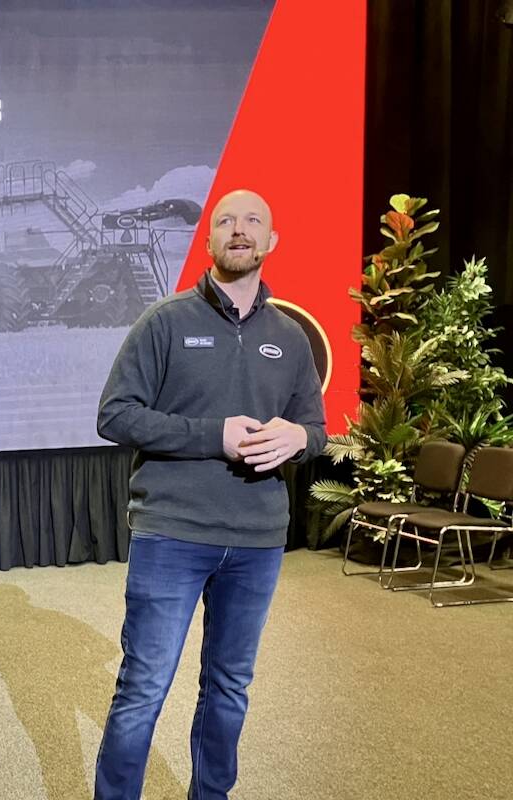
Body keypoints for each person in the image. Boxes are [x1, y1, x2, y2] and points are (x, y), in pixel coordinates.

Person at [92, 189, 326, 800]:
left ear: (272, 242)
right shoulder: (165, 322)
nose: (240, 230)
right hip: (172, 532)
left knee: (229, 688)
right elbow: (115, 415)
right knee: (143, 686)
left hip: (257, 542)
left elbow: (317, 430)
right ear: (210, 239)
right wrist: (211, 437)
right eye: (226, 221)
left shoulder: (292, 338)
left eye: (254, 221)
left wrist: (300, 436)